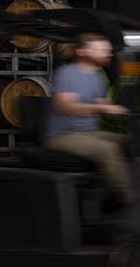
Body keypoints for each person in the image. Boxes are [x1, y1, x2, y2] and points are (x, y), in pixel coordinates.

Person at [45, 33, 133, 204]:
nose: (108, 53)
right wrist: (102, 107)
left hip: (89, 132)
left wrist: (123, 110)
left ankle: (102, 196)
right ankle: (133, 203)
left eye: (108, 50)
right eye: (102, 50)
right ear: (83, 52)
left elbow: (104, 104)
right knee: (107, 149)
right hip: (61, 136)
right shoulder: (67, 73)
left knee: (132, 141)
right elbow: (66, 107)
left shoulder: (98, 77)